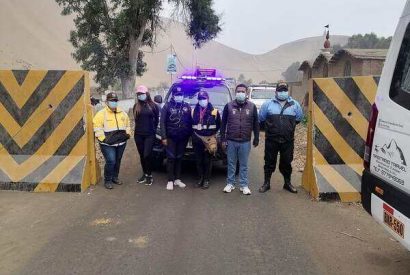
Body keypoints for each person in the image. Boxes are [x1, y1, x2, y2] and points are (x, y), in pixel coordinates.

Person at [258, 80, 303, 194]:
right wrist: (271, 130)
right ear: (276, 92)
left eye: (284, 90)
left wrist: (287, 129)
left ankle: (287, 183)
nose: (282, 92)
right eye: (280, 90)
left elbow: (298, 119)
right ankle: (266, 183)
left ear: (287, 91)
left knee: (287, 162)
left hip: (288, 140)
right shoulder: (267, 104)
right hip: (271, 140)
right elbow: (262, 119)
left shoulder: (295, 104)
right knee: (269, 162)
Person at [220, 84, 260, 195]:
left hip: (245, 141)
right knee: (231, 163)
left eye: (243, 91)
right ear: (235, 93)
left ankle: (244, 185)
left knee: (244, 164)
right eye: (238, 91)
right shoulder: (228, 106)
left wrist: (256, 137)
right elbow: (223, 124)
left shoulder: (252, 107)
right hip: (231, 140)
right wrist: (223, 139)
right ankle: (230, 183)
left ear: (246, 93)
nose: (240, 93)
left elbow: (256, 124)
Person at [93, 92, 131, 189]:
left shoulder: (123, 113)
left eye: (115, 101)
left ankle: (115, 177)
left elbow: (127, 124)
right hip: (107, 144)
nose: (114, 102)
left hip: (121, 143)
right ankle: (108, 180)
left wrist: (127, 134)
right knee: (111, 161)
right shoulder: (101, 114)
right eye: (111, 101)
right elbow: (97, 127)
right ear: (107, 102)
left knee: (117, 160)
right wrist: (103, 139)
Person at [160, 86, 193, 191]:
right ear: (173, 96)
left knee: (179, 157)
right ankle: (170, 180)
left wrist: (189, 135)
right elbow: (162, 123)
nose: (179, 96)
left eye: (181, 95)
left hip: (183, 137)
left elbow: (190, 122)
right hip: (170, 137)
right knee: (171, 158)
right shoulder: (167, 106)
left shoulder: (187, 106)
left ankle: (177, 179)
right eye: (177, 95)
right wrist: (164, 137)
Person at [192, 90, 221, 189]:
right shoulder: (194, 111)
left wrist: (211, 134)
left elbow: (218, 125)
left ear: (208, 99)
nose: (202, 100)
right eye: (200, 98)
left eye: (204, 98)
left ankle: (207, 180)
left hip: (209, 140)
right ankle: (200, 179)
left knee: (207, 161)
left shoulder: (215, 111)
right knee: (198, 161)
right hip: (197, 139)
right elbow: (190, 125)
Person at [133, 85, 160, 186]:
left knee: (147, 155)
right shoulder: (136, 106)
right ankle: (144, 174)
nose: (140, 95)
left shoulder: (153, 106)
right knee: (141, 155)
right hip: (138, 135)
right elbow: (136, 120)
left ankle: (149, 175)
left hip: (149, 135)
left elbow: (157, 120)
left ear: (147, 94)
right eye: (139, 94)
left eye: (142, 94)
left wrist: (152, 130)